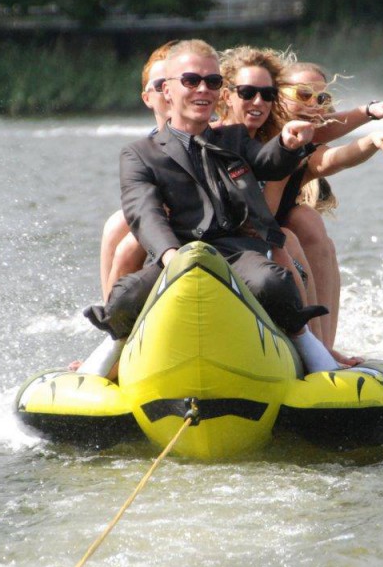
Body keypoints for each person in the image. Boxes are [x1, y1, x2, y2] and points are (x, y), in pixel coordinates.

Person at [80, 39, 339, 376]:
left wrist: (288, 144)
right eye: (191, 81)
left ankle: (306, 346)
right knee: (126, 296)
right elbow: (144, 211)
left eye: (212, 82)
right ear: (168, 90)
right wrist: (172, 258)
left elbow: (267, 162)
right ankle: (113, 352)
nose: (203, 89)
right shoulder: (139, 153)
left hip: (234, 252)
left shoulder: (234, 138)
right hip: (176, 252)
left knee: (272, 283)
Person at [268, 60, 383, 354]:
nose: (314, 104)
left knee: (306, 219)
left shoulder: (306, 145)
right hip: (237, 238)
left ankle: (323, 348)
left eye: (321, 98)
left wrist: (371, 140)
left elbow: (333, 158)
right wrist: (370, 112)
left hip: (274, 235)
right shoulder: (243, 129)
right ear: (276, 94)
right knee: (293, 232)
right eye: (303, 94)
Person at [217, 45, 326, 341]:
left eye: (267, 95)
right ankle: (119, 342)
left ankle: (317, 346)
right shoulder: (207, 135)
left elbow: (329, 146)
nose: (258, 101)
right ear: (226, 96)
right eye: (247, 92)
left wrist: (370, 117)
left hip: (257, 240)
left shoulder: (274, 141)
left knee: (287, 237)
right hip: (210, 239)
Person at [99, 41, 176, 301]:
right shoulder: (141, 152)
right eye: (160, 85)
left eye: (176, 82)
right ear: (147, 98)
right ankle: (111, 312)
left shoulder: (217, 132)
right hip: (160, 222)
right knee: (116, 226)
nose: (168, 92)